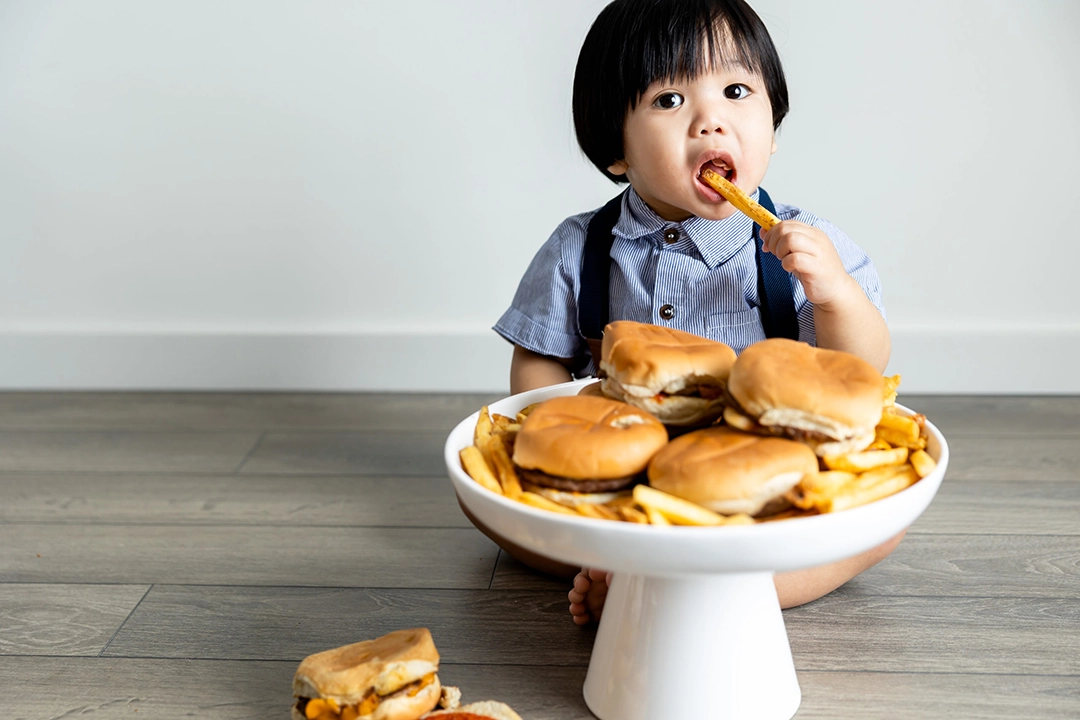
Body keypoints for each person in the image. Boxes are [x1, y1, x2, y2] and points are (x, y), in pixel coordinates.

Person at [471, 0, 902, 625]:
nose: (711, 122)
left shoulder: (807, 248)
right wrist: (558, 446)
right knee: (489, 510)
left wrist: (833, 292)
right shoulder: (580, 248)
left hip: (762, 472)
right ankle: (633, 569)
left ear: (773, 132)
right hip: (626, 473)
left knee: (880, 531)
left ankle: (698, 594)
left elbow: (859, 372)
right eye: (669, 101)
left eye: (735, 90)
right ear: (614, 148)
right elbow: (538, 361)